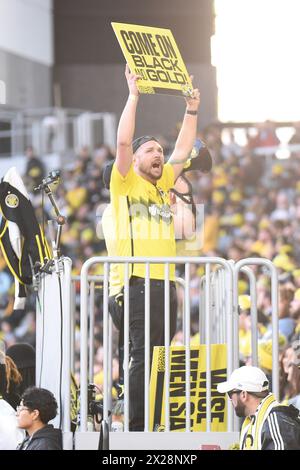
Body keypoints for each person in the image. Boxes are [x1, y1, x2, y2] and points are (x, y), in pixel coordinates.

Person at [108, 64, 200, 431]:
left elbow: (184, 147)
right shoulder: (125, 183)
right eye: (149, 150)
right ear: (136, 159)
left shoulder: (164, 185)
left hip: (166, 283)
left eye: (159, 150)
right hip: (138, 282)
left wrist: (191, 109)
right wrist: (133, 96)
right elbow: (122, 143)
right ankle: (136, 423)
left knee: (162, 357)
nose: (158, 154)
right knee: (142, 356)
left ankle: (157, 417)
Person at [217, 365, 300, 450]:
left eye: (230, 394)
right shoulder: (257, 421)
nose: (230, 399)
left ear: (243, 395)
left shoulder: (275, 421)